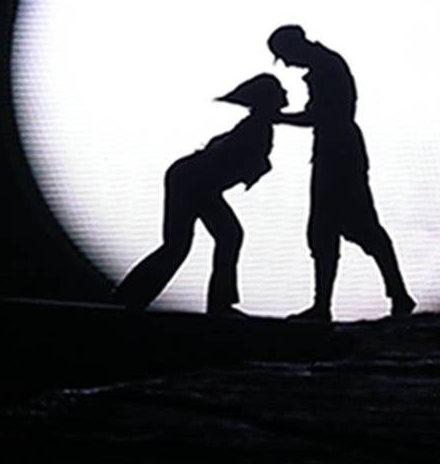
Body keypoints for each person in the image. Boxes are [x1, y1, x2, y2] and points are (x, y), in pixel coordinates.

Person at [268, 25, 415, 321]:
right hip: (333, 152)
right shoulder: (324, 66)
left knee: (357, 228)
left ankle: (394, 295)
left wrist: (277, 118)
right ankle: (327, 304)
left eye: (284, 56)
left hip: (339, 155)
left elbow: (323, 115)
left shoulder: (326, 68)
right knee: (326, 231)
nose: (285, 64)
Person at [112, 73, 288, 315]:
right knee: (197, 242)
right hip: (195, 182)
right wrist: (259, 165)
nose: (285, 93)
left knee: (199, 241)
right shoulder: (256, 127)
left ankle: (129, 297)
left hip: (195, 182)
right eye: (280, 90)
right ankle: (132, 298)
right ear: (267, 99)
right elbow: (228, 153)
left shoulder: (258, 125)